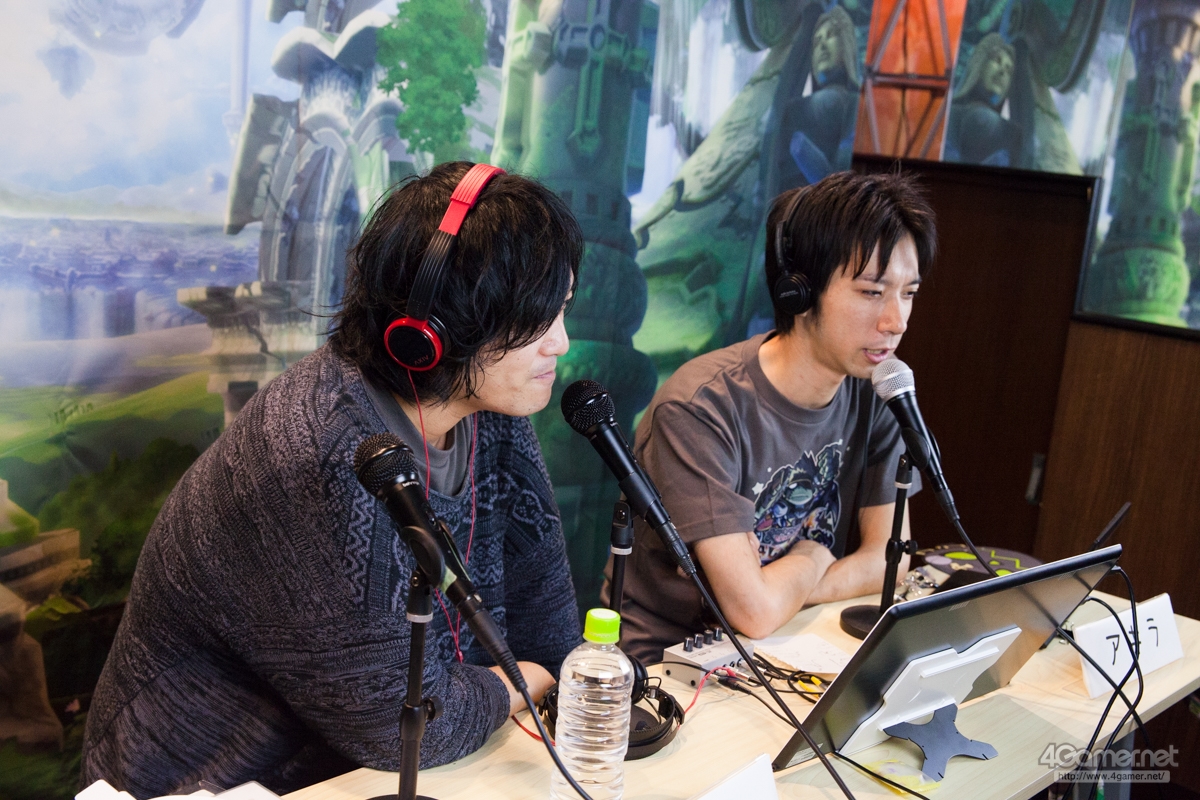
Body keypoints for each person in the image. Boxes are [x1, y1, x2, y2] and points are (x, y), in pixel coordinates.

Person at [80, 162, 584, 797]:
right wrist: (525, 681)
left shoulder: (492, 408)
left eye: (562, 310)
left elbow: (549, 628)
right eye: (536, 321)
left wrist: (536, 674)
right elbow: (408, 726)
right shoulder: (314, 454)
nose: (561, 343)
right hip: (219, 783)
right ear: (433, 331)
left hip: (403, 766)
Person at [612, 170, 937, 664]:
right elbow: (753, 611)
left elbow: (887, 562)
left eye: (908, 293)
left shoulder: (878, 392)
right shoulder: (700, 409)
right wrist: (813, 552)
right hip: (671, 668)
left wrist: (790, 583)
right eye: (872, 292)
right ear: (798, 292)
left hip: (791, 642)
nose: (896, 322)